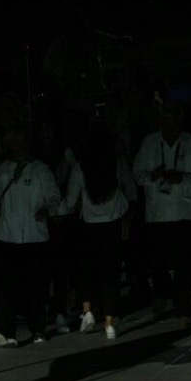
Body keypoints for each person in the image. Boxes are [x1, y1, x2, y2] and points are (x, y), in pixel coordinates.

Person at [0, 123, 62, 347]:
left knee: (37, 287)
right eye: (13, 143)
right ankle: (8, 332)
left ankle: (39, 330)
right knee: (8, 287)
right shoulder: (3, 171)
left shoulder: (41, 170)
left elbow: (55, 197)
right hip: (7, 238)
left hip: (36, 238)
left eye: (21, 142)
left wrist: (48, 210)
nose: (18, 146)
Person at [132, 98, 191, 329]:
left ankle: (182, 307)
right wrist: (153, 177)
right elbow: (137, 173)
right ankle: (161, 295)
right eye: (165, 119)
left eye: (173, 118)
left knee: (184, 264)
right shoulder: (150, 143)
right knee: (158, 262)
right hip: (157, 213)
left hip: (184, 211)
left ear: (180, 120)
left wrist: (181, 178)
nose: (169, 123)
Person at [59, 119, 137, 340]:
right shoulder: (117, 164)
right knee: (110, 274)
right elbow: (130, 191)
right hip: (111, 225)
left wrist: (54, 207)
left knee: (87, 270)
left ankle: (88, 311)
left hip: (88, 226)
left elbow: (71, 201)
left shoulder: (81, 168)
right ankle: (110, 323)